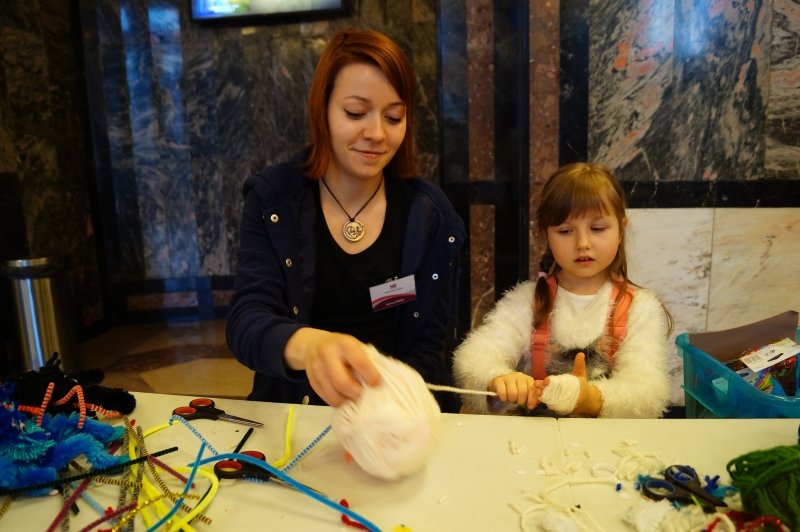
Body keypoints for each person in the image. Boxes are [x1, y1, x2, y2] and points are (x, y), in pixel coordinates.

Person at [226, 28, 465, 413]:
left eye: (394, 117)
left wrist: (396, 415)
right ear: (321, 110)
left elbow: (429, 345)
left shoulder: (429, 216)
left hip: (391, 415)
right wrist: (311, 346)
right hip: (295, 414)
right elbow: (246, 322)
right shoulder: (275, 201)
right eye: (355, 113)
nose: (376, 134)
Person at [453, 162, 672, 418]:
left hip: (608, 442)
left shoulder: (640, 307)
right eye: (566, 231)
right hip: (533, 439)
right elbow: (475, 357)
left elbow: (648, 391)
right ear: (546, 235)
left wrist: (592, 398)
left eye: (597, 229)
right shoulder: (527, 301)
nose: (583, 243)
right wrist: (497, 378)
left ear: (621, 229)